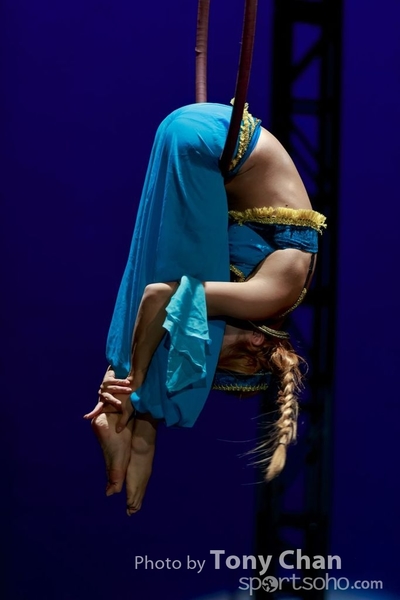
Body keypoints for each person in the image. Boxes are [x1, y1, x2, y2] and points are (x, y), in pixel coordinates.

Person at [84, 102, 326, 514]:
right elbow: (158, 296)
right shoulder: (273, 296)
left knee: (176, 309)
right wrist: (137, 377)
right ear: (255, 342)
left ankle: (130, 409)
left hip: (195, 139)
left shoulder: (258, 299)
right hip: (207, 141)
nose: (206, 347)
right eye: (217, 355)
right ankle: (138, 423)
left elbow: (154, 283)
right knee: (177, 306)